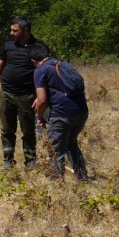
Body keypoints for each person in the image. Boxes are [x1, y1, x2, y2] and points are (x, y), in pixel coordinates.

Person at [0, 19, 49, 169]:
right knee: (7, 129)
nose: (11, 33)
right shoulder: (8, 45)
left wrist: (40, 96)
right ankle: (8, 160)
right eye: (11, 30)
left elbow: (44, 70)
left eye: (15, 30)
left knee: (28, 130)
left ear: (26, 31)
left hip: (27, 96)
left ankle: (30, 161)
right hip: (6, 93)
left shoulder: (39, 46)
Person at [34, 50, 90, 181]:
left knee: (56, 150)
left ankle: (57, 183)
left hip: (61, 114)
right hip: (81, 111)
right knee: (71, 144)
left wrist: (40, 117)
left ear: (33, 61)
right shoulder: (64, 64)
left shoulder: (41, 70)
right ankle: (82, 177)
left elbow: (41, 100)